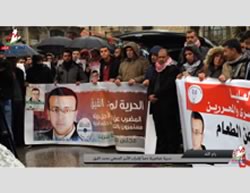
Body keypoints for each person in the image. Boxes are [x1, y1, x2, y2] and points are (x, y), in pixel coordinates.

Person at [148, 48, 182, 153]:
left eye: (163, 57)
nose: (161, 59)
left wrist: (156, 95)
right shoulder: (155, 69)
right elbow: (151, 83)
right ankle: (161, 151)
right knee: (159, 129)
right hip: (156, 105)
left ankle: (171, 152)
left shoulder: (173, 69)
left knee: (170, 130)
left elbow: (169, 85)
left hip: (168, 105)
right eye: (159, 57)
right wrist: (149, 95)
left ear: (167, 57)